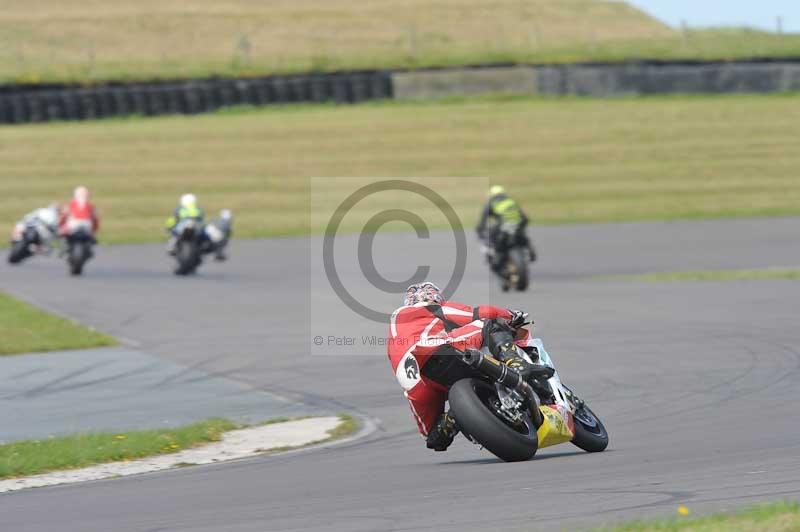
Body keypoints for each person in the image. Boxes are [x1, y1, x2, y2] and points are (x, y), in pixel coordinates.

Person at [387, 281, 538, 452]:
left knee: (435, 435)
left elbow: (431, 439)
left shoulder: (395, 333)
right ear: (434, 296)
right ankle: (515, 362)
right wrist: (511, 315)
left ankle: (451, 420)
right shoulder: (427, 307)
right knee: (491, 324)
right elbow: (479, 313)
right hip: (434, 350)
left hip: (414, 384)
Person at [475, 185, 536, 274]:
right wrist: (521, 226)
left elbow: (482, 221)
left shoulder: (491, 202)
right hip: (518, 224)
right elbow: (525, 218)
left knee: (489, 237)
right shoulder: (511, 201)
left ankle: (492, 255)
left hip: (503, 225)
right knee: (522, 236)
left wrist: (480, 231)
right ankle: (530, 250)